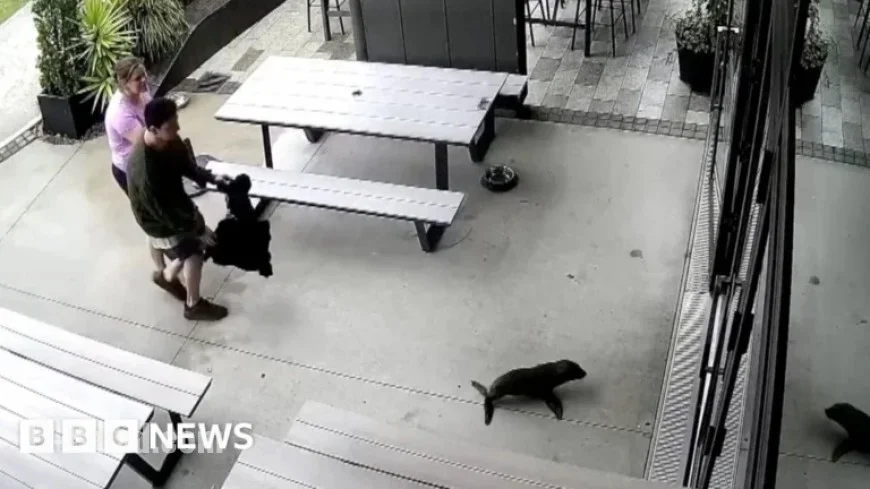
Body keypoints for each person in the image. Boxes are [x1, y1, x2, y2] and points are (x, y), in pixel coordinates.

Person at [127, 97, 232, 321]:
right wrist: (198, 229)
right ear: (153, 129)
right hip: (157, 218)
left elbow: (187, 167)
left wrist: (212, 178)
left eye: (176, 121)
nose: (178, 128)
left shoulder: (169, 139)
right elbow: (166, 214)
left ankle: (166, 275)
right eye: (170, 126)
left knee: (184, 244)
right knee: (194, 251)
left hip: (165, 207)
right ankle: (193, 305)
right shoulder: (147, 170)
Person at [105, 57, 185, 298]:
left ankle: (164, 269)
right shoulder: (120, 114)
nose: (144, 81)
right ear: (123, 83)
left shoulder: (142, 93)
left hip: (149, 165)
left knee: (155, 219)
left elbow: (154, 122)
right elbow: (148, 141)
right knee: (153, 219)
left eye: (143, 75)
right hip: (132, 172)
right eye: (137, 78)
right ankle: (164, 272)